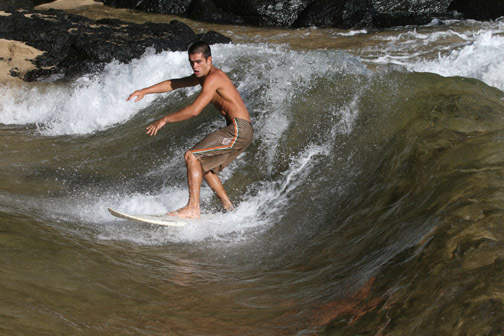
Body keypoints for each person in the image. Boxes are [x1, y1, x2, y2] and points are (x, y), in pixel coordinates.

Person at [126, 41, 253, 219]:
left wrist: (165, 119)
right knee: (201, 165)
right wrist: (145, 91)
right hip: (237, 129)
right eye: (191, 62)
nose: (195, 66)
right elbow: (174, 84)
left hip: (239, 129)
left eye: (199, 62)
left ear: (209, 60)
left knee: (192, 155)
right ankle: (228, 206)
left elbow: (194, 111)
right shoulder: (202, 76)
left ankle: (193, 208)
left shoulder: (214, 77)